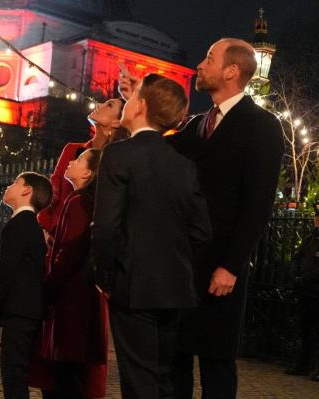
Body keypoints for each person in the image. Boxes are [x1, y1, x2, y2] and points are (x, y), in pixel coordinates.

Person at [121, 38, 285, 398]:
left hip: (221, 271)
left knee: (217, 363)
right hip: (184, 267)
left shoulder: (261, 126)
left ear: (231, 71)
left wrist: (232, 265)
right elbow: (155, 146)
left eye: (209, 58)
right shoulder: (197, 125)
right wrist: (139, 101)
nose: (199, 64)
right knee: (176, 357)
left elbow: (257, 204)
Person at [92, 73, 212, 399]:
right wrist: (175, 261)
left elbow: (105, 228)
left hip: (132, 284)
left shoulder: (119, 155)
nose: (126, 103)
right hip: (175, 287)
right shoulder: (184, 165)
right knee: (162, 378)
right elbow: (201, 231)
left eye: (132, 98)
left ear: (141, 105)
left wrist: (104, 275)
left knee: (139, 381)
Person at [40, 148, 108, 399]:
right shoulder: (86, 201)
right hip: (77, 296)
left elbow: (69, 251)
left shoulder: (79, 201)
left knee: (64, 375)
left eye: (79, 160)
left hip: (70, 299)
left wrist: (48, 286)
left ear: (88, 172)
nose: (70, 161)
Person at [0, 172, 53, 399]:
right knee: (16, 371)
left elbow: (7, 268)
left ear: (27, 191)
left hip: (20, 309)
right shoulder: (29, 225)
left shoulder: (20, 224)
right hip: (26, 309)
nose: (9, 186)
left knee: (14, 372)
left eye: (16, 182)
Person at [37, 98, 127, 236]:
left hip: (90, 238)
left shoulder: (116, 161)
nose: (98, 104)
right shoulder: (72, 150)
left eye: (109, 105)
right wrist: (43, 228)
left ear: (117, 122)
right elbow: (54, 192)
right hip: (57, 234)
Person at [287, 203, 319, 380]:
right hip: (305, 292)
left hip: (316, 291)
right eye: (316, 217)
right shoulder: (310, 239)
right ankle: (303, 364)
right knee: (304, 330)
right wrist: (295, 274)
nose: (317, 220)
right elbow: (297, 258)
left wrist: (304, 278)